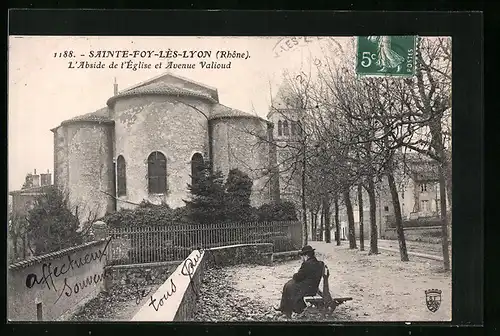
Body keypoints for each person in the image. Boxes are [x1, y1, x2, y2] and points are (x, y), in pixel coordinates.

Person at [274, 245, 324, 317]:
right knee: (289, 284)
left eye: (302, 257)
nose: (302, 259)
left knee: (289, 286)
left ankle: (287, 310)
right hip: (313, 287)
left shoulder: (306, 264)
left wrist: (296, 272)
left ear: (306, 256)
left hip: (308, 289)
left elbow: (297, 277)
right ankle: (284, 308)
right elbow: (308, 275)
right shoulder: (320, 263)